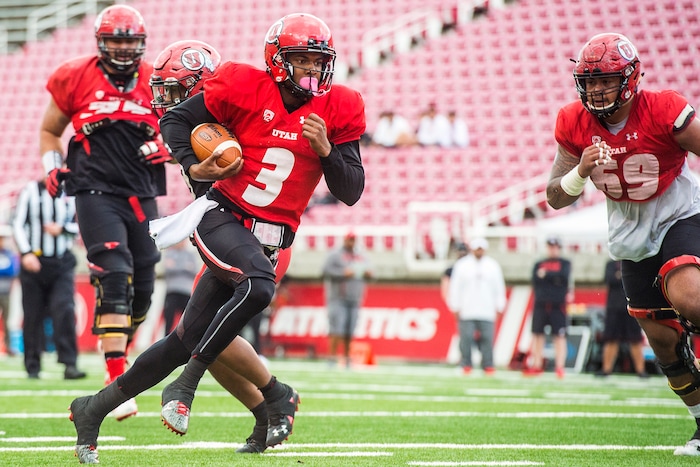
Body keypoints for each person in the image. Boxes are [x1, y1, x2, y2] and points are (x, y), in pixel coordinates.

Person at [69, 12, 365, 464]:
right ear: (278, 60)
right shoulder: (242, 88)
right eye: (301, 61)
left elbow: (350, 192)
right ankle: (202, 388)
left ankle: (92, 410)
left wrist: (326, 150)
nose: (311, 70)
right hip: (223, 218)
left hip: (272, 238)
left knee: (187, 337)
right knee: (255, 289)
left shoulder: (337, 106)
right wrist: (195, 165)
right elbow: (175, 123)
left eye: (316, 61)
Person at [546, 32, 700, 455]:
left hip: (679, 211)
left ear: (630, 78)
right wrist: (579, 172)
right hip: (630, 234)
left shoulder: (663, 108)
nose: (595, 90)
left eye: (605, 80)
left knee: (690, 295)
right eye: (589, 81)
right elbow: (554, 196)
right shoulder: (572, 121)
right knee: (664, 344)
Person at [150, 39, 291, 454]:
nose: (169, 102)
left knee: (209, 334)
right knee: (200, 338)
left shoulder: (238, 114)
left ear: (202, 85)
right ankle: (268, 415)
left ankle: (278, 399)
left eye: (177, 91)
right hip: (224, 239)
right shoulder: (196, 125)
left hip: (256, 238)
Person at [39, 4, 172, 419]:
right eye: (114, 39)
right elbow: (49, 130)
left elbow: (183, 129)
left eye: (128, 41)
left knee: (145, 287)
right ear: (100, 41)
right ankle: (117, 379)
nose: (120, 47)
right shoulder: (75, 76)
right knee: (114, 274)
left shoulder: (157, 79)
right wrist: (51, 166)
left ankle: (116, 349)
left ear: (141, 44)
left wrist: (168, 146)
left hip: (142, 193)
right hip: (93, 190)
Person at [11, 178, 86, 380]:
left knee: (65, 310)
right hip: (34, 263)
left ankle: (70, 363)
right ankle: (32, 366)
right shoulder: (30, 191)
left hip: (61, 262)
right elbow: (17, 223)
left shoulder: (70, 193)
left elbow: (81, 225)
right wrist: (26, 253)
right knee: (32, 315)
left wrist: (61, 229)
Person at [447, 238, 506, 375]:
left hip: (487, 309)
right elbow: (455, 288)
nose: (479, 251)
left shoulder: (493, 266)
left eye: (481, 248)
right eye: (477, 248)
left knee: (487, 339)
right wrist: (455, 306)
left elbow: (499, 288)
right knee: (466, 338)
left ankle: (488, 365)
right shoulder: (462, 265)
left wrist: (500, 306)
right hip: (467, 309)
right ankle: (466, 363)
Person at [322, 232, 372, 367]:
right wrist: (343, 273)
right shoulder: (335, 255)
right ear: (344, 240)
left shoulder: (361, 256)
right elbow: (325, 271)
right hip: (337, 297)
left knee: (350, 330)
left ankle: (347, 358)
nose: (351, 242)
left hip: (355, 298)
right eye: (350, 240)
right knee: (336, 329)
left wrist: (368, 273)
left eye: (353, 240)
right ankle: (331, 358)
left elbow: (372, 273)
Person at [523, 237, 572, 379]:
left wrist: (547, 275)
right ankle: (536, 364)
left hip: (558, 305)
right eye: (550, 247)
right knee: (538, 334)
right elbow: (535, 279)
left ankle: (560, 366)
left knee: (559, 335)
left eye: (555, 247)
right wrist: (552, 278)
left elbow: (563, 277)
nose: (552, 250)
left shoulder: (565, 263)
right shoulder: (539, 263)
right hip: (541, 304)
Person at [595, 260, 648, 378]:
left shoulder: (634, 261)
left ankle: (641, 370)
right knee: (611, 339)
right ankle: (606, 369)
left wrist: (620, 275)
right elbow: (610, 280)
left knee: (635, 339)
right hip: (614, 307)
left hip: (632, 305)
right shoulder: (610, 264)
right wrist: (625, 276)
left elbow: (637, 280)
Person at [161, 239, 200, 336]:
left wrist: (177, 266)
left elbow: (195, 270)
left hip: (186, 292)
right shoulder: (169, 253)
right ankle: (165, 341)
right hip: (172, 291)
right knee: (169, 319)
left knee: (188, 320)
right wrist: (185, 267)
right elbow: (168, 269)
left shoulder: (190, 255)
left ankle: (187, 340)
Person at [0, 235, 19, 356]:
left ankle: (8, 346)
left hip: (6, 292)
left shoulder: (9, 254)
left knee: (7, 320)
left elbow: (12, 270)